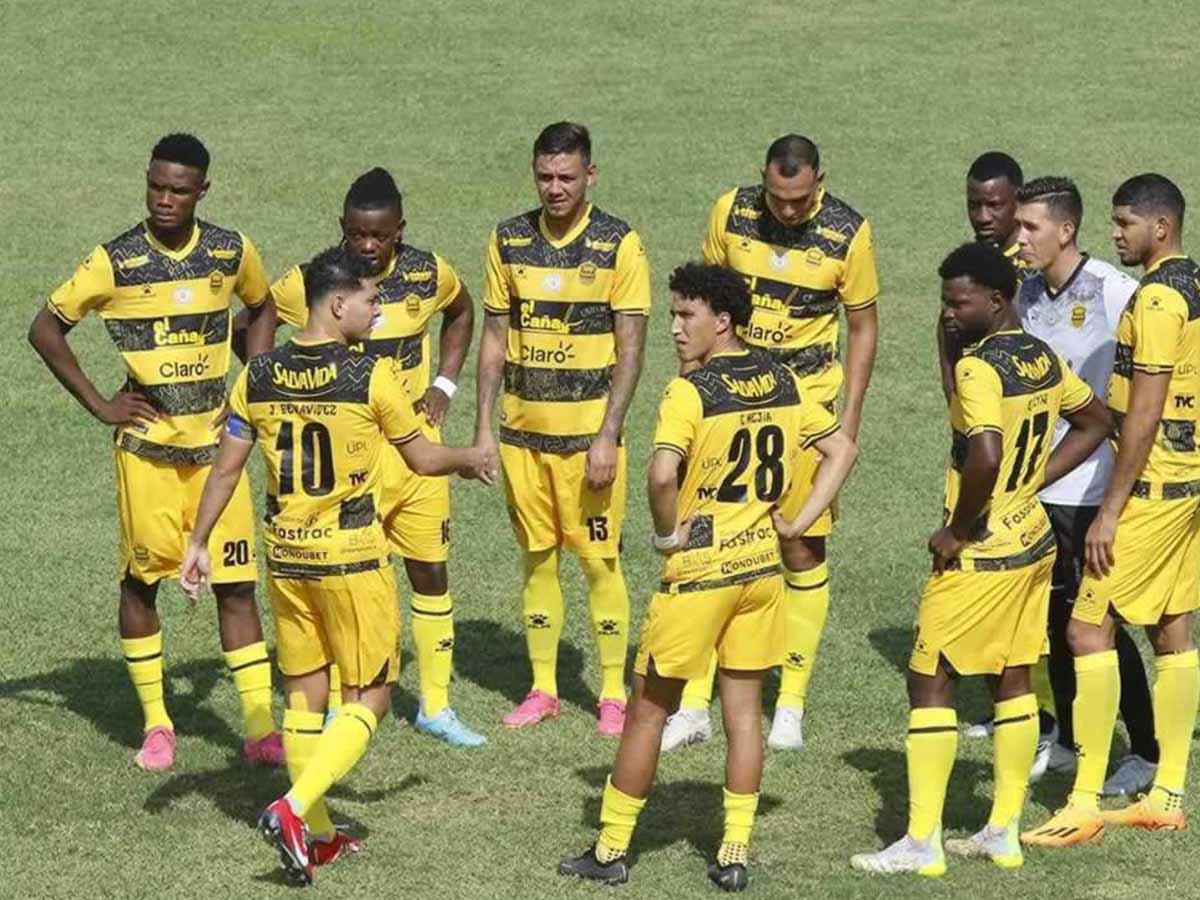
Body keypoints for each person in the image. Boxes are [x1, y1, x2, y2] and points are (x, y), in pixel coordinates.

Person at [180, 247, 494, 885]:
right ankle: (294, 807)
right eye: (372, 301)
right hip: (350, 558)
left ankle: (319, 836)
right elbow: (422, 459)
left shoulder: (257, 375)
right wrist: (471, 457)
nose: (379, 311)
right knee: (372, 695)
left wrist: (198, 541)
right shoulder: (371, 376)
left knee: (304, 695)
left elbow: (227, 468)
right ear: (338, 303)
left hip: (287, 559)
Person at [559, 262, 858, 890]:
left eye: (686, 315)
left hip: (699, 577)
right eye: (672, 314)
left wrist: (668, 535)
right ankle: (734, 853)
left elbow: (661, 474)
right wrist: (798, 522)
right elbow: (842, 450)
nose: (674, 327)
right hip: (761, 571)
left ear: (723, 321)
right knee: (744, 715)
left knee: (648, 711)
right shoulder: (783, 379)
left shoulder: (689, 392)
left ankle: (610, 851)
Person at [851, 242, 1110, 876]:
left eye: (957, 302)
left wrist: (958, 529)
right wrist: (1033, 482)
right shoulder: (1039, 355)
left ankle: (921, 842)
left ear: (995, 300)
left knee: (930, 679)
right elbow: (1096, 421)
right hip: (1033, 543)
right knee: (1013, 679)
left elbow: (985, 455)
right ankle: (1002, 833)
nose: (947, 312)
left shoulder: (980, 369)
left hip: (982, 554)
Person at [27, 133, 283, 771]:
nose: (164, 199)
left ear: (202, 191)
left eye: (178, 190)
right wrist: (100, 404)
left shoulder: (230, 250)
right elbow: (46, 328)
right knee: (142, 585)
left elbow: (263, 306)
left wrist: (254, 382)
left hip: (219, 456)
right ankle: (158, 724)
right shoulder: (115, 261)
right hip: (147, 457)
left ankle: (259, 729)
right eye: (156, 186)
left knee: (236, 586)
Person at [662, 133, 879, 753]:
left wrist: (850, 416)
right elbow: (701, 299)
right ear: (762, 178)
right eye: (777, 197)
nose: (786, 210)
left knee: (801, 547)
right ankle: (694, 704)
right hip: (730, 400)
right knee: (707, 543)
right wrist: (691, 382)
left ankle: (790, 705)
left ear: (819, 183)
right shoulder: (730, 212)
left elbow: (862, 327)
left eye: (799, 199)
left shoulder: (849, 233)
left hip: (805, 406)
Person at [261, 168, 483, 747]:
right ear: (342, 227)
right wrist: (270, 383)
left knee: (429, 569)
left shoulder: (427, 273)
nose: (367, 245)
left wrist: (444, 385)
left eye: (379, 235)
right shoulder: (319, 280)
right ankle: (341, 703)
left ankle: (436, 705)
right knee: (345, 575)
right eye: (357, 233)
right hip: (353, 457)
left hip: (417, 448)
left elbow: (462, 311)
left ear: (399, 230)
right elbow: (257, 317)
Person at [1024, 174, 1200, 846]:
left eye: (1126, 222)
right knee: (1173, 632)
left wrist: (1110, 510)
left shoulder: (1155, 299)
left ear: (1161, 227)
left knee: (1085, 630)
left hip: (1151, 493)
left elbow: (1145, 412)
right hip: (1188, 486)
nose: (1116, 233)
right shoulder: (1193, 284)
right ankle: (1168, 793)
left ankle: (1084, 802)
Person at [474, 122, 650, 735]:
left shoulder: (618, 243)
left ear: (590, 176)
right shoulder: (508, 240)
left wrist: (608, 435)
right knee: (537, 561)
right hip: (523, 439)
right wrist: (484, 429)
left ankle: (612, 693)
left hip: (588, 444)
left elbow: (631, 350)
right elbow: (493, 341)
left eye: (567, 177)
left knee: (600, 563)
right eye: (545, 176)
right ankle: (544, 688)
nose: (555, 188)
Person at [1011, 176, 1159, 793]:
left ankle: (1144, 749)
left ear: (1066, 230)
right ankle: (1072, 739)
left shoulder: (1114, 291)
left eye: (1031, 227)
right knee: (1051, 623)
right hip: (1038, 486)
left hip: (1093, 489)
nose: (1019, 238)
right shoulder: (1024, 293)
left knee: (1099, 625)